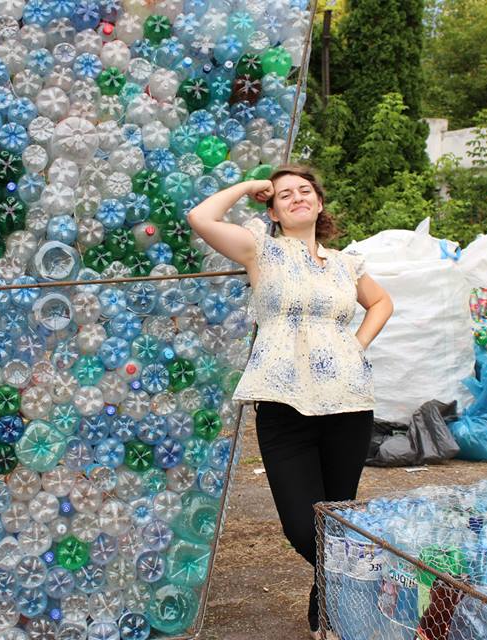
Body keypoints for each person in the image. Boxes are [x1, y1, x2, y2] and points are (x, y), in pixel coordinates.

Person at [187, 165, 393, 639]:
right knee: (303, 527)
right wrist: (248, 186)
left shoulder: (346, 263)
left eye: (305, 191)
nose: (297, 197)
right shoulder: (261, 250)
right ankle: (369, 583)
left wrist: (355, 346)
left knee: (337, 514)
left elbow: (382, 303)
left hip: (347, 404)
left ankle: (328, 617)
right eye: (284, 195)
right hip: (284, 406)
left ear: (319, 204)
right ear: (274, 212)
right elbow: (201, 218)